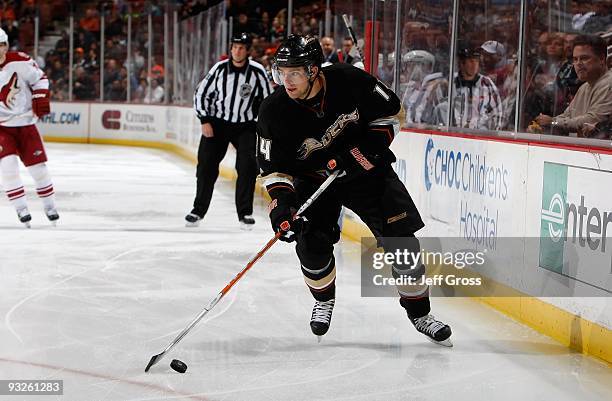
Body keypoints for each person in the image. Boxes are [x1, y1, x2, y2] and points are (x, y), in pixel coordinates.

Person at [256, 34, 452, 346]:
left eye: (294, 72)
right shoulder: (272, 111)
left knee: (402, 241)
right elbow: (273, 170)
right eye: (282, 73)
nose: (287, 81)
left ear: (312, 70)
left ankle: (420, 314)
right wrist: (282, 204)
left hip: (365, 172)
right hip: (312, 180)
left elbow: (393, 114)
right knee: (310, 244)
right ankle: (323, 299)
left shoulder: (349, 79)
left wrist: (360, 155)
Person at [188, 32, 272, 229]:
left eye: (242, 47)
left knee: (247, 168)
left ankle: (245, 214)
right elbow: (201, 94)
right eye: (234, 47)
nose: (237, 50)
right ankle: (198, 210)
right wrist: (205, 119)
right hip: (217, 124)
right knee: (206, 167)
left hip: (245, 126)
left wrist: (259, 124)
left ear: (248, 50)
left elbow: (267, 101)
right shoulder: (219, 69)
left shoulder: (257, 72)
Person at [0, 28, 56, 227]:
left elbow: (40, 79)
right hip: (1, 128)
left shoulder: (20, 61)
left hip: (25, 124)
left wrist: (40, 96)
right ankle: (21, 207)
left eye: (1, 45)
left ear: (6, 45)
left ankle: (49, 205)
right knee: (7, 166)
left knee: (38, 168)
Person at [534, 35, 612, 137]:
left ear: (602, 59)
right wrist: (548, 122)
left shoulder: (609, 83)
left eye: (584, 58)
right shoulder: (584, 86)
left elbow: (592, 120)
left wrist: (553, 122)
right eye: (575, 59)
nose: (578, 64)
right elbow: (567, 115)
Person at [433, 44, 504, 130]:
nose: (474, 65)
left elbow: (497, 111)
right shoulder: (450, 82)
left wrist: (492, 135)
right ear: (462, 64)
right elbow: (438, 110)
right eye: (471, 61)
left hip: (480, 137)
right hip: (452, 138)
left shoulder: (486, 83)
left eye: (476, 61)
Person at [401, 50, 447, 125]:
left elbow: (439, 110)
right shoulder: (403, 88)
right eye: (412, 65)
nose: (417, 70)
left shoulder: (434, 87)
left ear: (430, 68)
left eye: (423, 65)